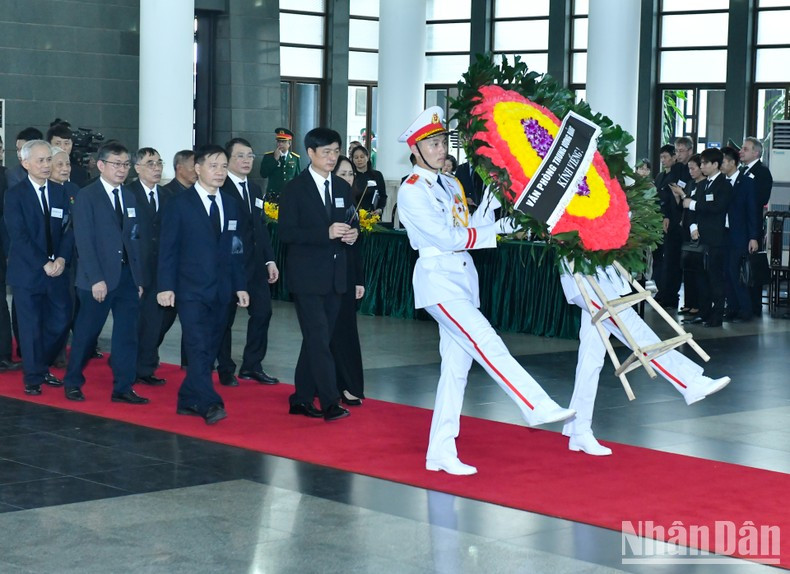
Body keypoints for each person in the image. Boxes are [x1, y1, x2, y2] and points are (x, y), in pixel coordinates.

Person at [396, 106, 574, 476]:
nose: (439, 148)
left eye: (442, 140)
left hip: (462, 279)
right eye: (431, 143)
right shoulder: (412, 191)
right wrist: (491, 232)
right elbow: (445, 238)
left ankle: (440, 451)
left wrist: (498, 204)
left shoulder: (450, 183)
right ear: (415, 150)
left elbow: (470, 225)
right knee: (486, 341)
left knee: (455, 372)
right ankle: (534, 404)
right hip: (438, 280)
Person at [559, 264, 731, 455]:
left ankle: (579, 430)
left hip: (598, 276)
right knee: (634, 330)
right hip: (585, 279)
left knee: (591, 358)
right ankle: (689, 381)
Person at [157, 145, 249, 425]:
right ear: (197, 169)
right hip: (190, 289)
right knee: (197, 346)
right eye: (214, 166)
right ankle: (209, 403)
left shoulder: (232, 204)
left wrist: (240, 285)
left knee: (209, 347)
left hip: (222, 290)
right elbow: (167, 249)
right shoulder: (178, 204)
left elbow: (236, 249)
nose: (220, 172)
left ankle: (187, 399)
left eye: (223, 166)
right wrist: (165, 286)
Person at [278, 127, 358, 422]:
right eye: (326, 152)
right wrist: (324, 233)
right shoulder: (294, 188)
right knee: (319, 337)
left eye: (336, 151)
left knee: (316, 338)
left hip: (335, 275)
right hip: (307, 276)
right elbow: (286, 232)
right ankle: (329, 401)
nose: (332, 157)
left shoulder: (340, 186)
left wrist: (352, 234)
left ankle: (300, 398)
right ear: (310, 153)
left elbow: (349, 219)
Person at [62, 141, 149, 404]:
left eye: (125, 165)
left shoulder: (130, 196)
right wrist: (96, 279)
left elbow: (134, 240)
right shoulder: (87, 196)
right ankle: (73, 381)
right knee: (87, 334)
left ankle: (123, 386)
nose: (122, 170)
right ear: (101, 165)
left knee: (127, 334)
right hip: (96, 279)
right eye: (116, 164)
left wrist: (138, 278)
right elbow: (84, 241)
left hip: (126, 277)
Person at [4, 140, 74, 395]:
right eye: (41, 160)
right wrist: (43, 262)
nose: (46, 165)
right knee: (30, 325)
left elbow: (68, 230)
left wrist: (62, 259)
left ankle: (40, 363)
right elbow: (19, 235)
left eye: (48, 160)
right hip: (28, 272)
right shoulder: (15, 195)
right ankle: (33, 376)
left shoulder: (60, 192)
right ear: (25, 164)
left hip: (57, 270)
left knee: (61, 319)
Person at [218, 137, 279, 386]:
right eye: (240, 156)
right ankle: (224, 367)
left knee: (263, 312)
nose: (246, 161)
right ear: (228, 160)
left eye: (249, 156)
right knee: (225, 318)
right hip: (229, 266)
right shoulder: (220, 188)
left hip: (254, 265)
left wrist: (269, 260)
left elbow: (260, 228)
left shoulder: (254, 189)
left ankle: (252, 365)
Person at [129, 147, 175, 385]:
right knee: (134, 321)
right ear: (137, 168)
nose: (157, 168)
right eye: (150, 163)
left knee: (155, 321)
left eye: (159, 163)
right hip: (135, 268)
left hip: (160, 269)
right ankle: (128, 366)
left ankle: (145, 368)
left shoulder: (167, 196)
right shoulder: (127, 194)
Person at [682, 148, 732, 328]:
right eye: (701, 163)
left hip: (716, 239)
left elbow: (717, 207)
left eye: (704, 163)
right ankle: (703, 312)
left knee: (715, 278)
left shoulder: (724, 185)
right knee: (701, 277)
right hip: (701, 238)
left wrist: (693, 204)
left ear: (715, 165)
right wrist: (693, 227)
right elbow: (692, 210)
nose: (702, 166)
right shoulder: (702, 185)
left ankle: (716, 315)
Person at [330, 156, 365, 405]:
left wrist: (359, 280)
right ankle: (329, 385)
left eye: (350, 174)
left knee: (347, 332)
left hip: (348, 275)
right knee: (327, 334)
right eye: (342, 173)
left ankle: (349, 385)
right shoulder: (325, 201)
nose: (347, 178)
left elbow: (357, 248)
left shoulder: (351, 203)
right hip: (327, 276)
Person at [720, 146, 759, 322]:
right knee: (726, 272)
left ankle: (745, 309)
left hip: (740, 234)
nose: (720, 165)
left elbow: (753, 211)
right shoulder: (722, 182)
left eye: (723, 161)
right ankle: (732, 307)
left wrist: (753, 237)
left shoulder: (746, 182)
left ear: (732, 163)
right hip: (724, 233)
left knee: (737, 272)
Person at [739, 137, 773, 317]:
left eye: (745, 149)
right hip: (739, 225)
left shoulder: (762, 172)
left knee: (751, 264)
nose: (741, 151)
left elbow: (759, 199)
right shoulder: (742, 171)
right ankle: (741, 303)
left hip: (752, 224)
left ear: (756, 153)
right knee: (739, 266)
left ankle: (753, 305)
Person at [671, 154, 705, 317]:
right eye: (689, 168)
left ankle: (698, 304)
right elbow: (684, 207)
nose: (690, 172)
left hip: (698, 230)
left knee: (698, 269)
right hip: (685, 229)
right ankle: (689, 302)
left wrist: (684, 196)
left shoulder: (705, 185)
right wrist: (679, 196)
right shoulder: (691, 184)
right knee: (687, 268)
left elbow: (696, 206)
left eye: (693, 168)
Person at [259, 128, 300, 202]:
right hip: (273, 196)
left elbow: (298, 179)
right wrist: (275, 160)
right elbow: (263, 174)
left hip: (289, 196)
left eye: (283, 141)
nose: (280, 144)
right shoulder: (269, 156)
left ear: (289, 143)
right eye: (278, 141)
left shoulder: (295, 158)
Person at [46, 122, 90, 187]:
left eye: (66, 143)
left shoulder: (80, 173)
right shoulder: (43, 171)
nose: (63, 148)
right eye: (58, 144)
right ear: (49, 145)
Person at [351, 145, 387, 214]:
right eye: (356, 157)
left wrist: (380, 209)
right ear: (352, 160)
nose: (359, 159)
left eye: (362, 157)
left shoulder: (377, 175)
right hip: (355, 215)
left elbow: (383, 196)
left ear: (367, 157)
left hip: (373, 215)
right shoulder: (351, 176)